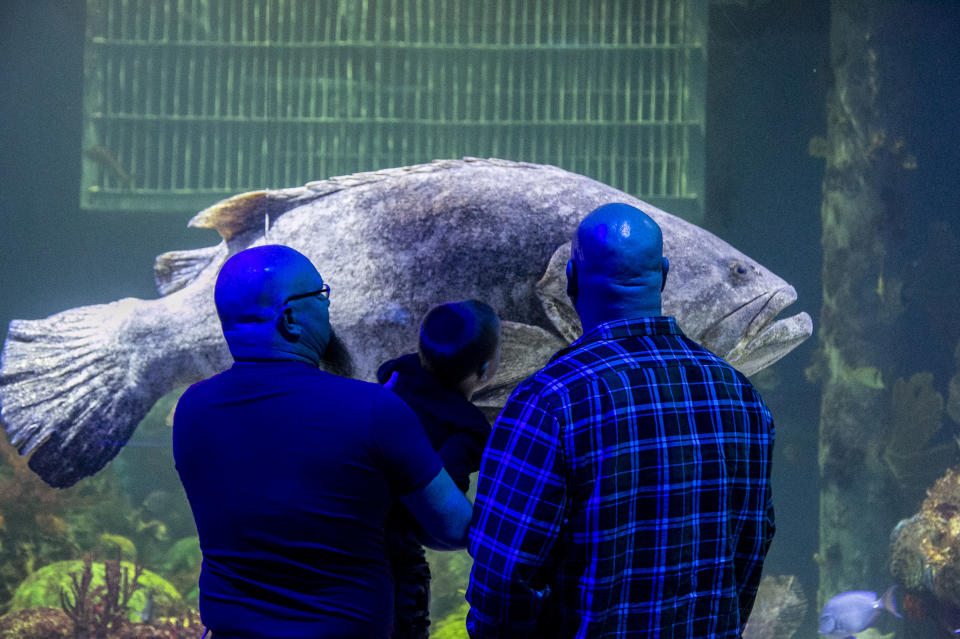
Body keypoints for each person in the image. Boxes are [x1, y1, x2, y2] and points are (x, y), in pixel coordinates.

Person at [465, 203, 776, 638]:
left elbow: (503, 573)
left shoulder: (550, 401)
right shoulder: (742, 399)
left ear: (570, 279)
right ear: (663, 275)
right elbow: (749, 548)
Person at [172, 245, 473, 639]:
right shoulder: (373, 410)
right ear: (291, 319)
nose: (328, 308)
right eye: (321, 295)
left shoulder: (192, 409)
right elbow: (453, 528)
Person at [376, 300, 501, 639]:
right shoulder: (469, 429)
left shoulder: (396, 374)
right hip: (394, 559)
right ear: (486, 369)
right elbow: (442, 516)